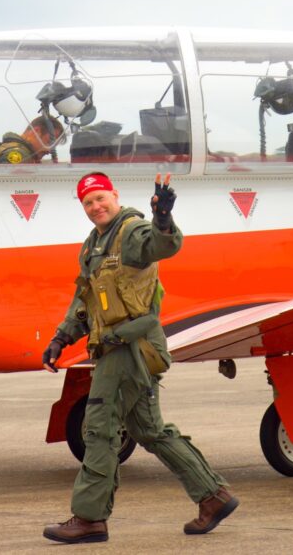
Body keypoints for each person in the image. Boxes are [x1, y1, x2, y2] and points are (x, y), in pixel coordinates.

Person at [42, 172, 238, 544]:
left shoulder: (131, 231)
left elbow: (160, 245)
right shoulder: (93, 244)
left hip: (129, 348)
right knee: (149, 430)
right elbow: (86, 299)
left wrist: (162, 218)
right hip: (125, 348)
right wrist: (61, 337)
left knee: (99, 428)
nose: (96, 206)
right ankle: (213, 496)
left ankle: (89, 518)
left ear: (114, 195)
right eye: (88, 202)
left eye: (100, 198)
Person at [0, 114, 65, 165]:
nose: (49, 151)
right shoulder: (19, 154)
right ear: (36, 131)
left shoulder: (21, 152)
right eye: (48, 143)